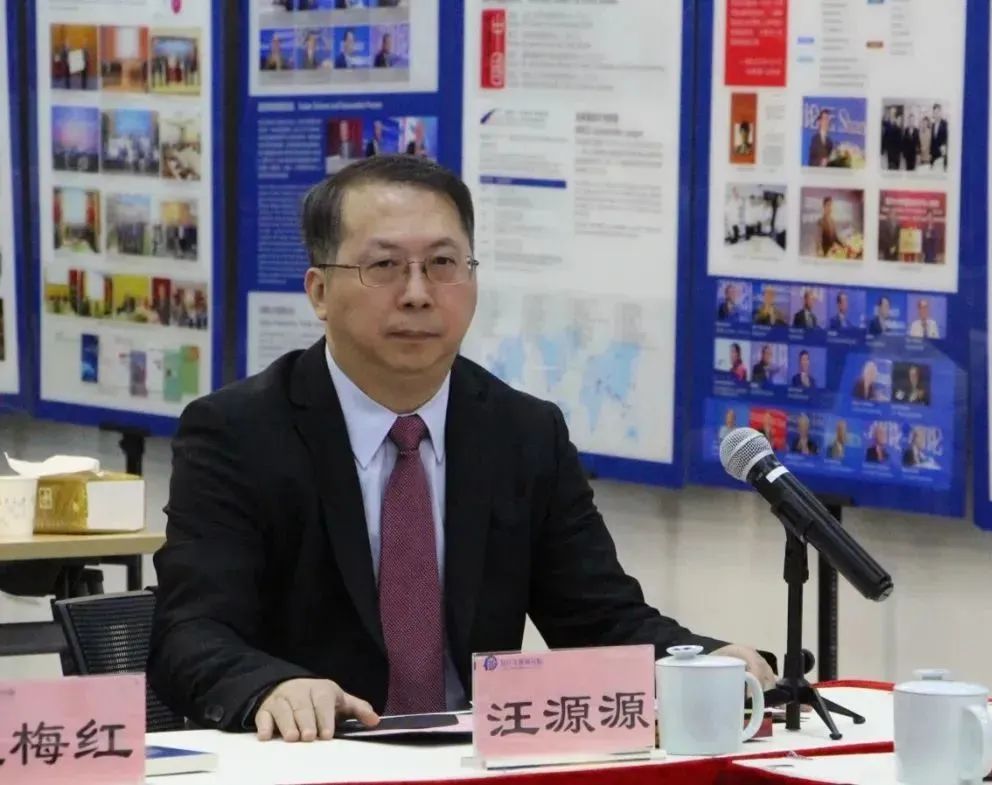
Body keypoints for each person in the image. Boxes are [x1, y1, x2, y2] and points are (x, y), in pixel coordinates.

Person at [148, 156, 777, 742]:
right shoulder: (238, 432)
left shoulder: (522, 432)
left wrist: (705, 660)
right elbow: (190, 632)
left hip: (475, 759)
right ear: (318, 292)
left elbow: (598, 619)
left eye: (443, 264)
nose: (418, 292)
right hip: (314, 759)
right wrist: (271, 687)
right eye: (384, 266)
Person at [930, 104, 948, 169]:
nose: (936, 114)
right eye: (934, 113)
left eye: (937, 112)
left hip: (942, 155)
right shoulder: (932, 125)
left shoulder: (945, 124)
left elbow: (947, 139)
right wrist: (931, 153)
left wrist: (944, 150)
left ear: (940, 112)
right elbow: (932, 141)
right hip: (934, 155)